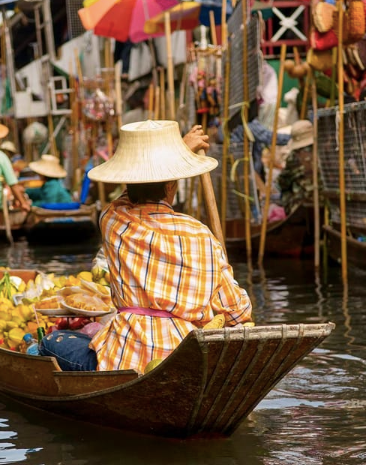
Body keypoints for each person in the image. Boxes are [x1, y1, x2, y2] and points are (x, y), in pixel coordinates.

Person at [39, 121, 253, 372]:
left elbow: (123, 201)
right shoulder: (202, 234)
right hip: (184, 356)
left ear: (128, 184)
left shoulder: (114, 221)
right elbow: (238, 311)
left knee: (51, 342)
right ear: (171, 186)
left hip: (122, 359)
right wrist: (180, 154)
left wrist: (180, 150)